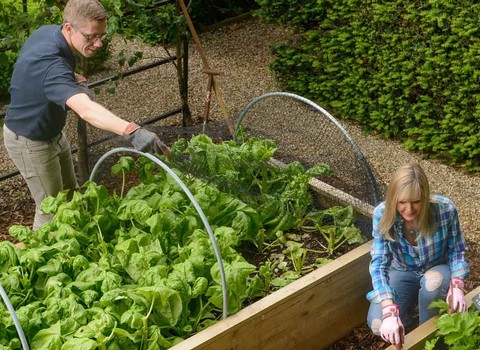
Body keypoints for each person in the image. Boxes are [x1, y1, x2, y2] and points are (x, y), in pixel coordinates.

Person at [3, 0, 170, 230]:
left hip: (52, 133)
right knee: (51, 210)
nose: (99, 43)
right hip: (30, 141)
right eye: (91, 37)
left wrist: (71, 76)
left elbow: (31, 62)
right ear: (69, 28)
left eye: (101, 35)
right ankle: (38, 260)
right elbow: (86, 110)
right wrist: (131, 130)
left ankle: (73, 250)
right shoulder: (53, 67)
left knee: (72, 198)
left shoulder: (48, 34)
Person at [366, 163, 469, 347]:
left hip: (436, 267)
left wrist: (458, 285)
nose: (409, 209)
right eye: (402, 202)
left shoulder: (445, 210)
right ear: (393, 199)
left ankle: (428, 337)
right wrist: (389, 311)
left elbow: (456, 250)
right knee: (377, 323)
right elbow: (379, 264)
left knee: (432, 285)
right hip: (402, 269)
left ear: (425, 196)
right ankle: (405, 320)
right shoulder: (381, 214)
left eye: (416, 201)